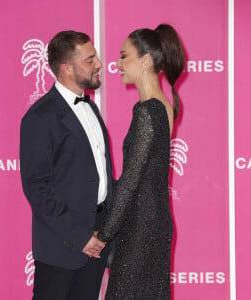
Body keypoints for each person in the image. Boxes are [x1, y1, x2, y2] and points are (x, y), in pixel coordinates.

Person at [20, 30, 113, 300]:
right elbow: (36, 187)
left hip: (97, 242)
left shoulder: (92, 110)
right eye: (89, 59)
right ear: (66, 68)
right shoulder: (40, 117)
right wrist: (81, 236)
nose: (98, 64)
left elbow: (100, 178)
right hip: (61, 247)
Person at [97, 24, 185, 299]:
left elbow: (131, 181)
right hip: (154, 223)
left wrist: (104, 235)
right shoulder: (163, 105)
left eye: (124, 56)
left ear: (145, 61)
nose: (118, 63)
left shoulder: (147, 111)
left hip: (140, 229)